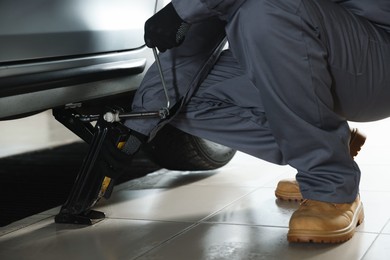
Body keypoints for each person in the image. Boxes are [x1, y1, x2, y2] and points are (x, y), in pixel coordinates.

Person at [101, 0, 390, 243]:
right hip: (322, 41)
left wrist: (182, 8)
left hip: (378, 51)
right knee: (173, 94)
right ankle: (327, 148)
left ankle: (333, 186)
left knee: (264, 10)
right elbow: (203, 23)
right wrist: (136, 129)